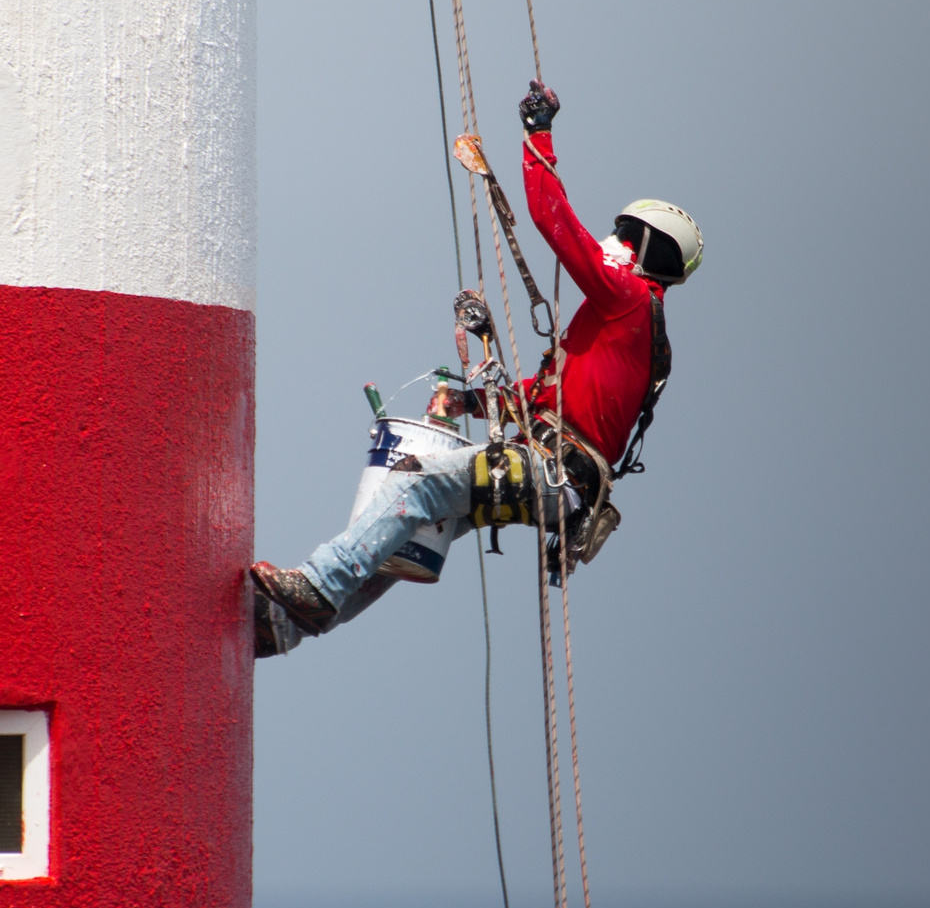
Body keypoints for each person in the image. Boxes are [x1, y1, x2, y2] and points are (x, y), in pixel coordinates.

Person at [252, 83, 703, 657]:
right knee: (416, 523)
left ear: (642, 246)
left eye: (622, 234)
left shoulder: (630, 301)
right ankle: (285, 628)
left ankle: (317, 587)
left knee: (418, 482)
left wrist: (537, 133)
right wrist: (470, 403)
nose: (611, 240)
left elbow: (552, 219)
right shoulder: (626, 328)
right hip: (557, 473)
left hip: (552, 470)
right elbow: (547, 399)